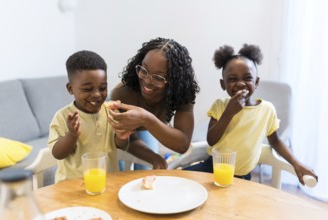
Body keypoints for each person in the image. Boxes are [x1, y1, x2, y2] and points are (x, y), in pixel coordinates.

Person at [184, 44, 318, 185]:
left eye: (247, 78)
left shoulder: (266, 110)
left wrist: (297, 164)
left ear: (257, 81)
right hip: (213, 169)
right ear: (223, 84)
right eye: (232, 79)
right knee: (181, 179)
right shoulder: (220, 106)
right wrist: (229, 112)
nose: (241, 84)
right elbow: (211, 140)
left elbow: (276, 142)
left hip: (242, 177)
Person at [47, 50, 161, 183]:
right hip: (72, 188)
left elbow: (118, 145)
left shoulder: (111, 111)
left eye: (102, 88)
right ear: (71, 88)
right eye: (88, 89)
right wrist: (72, 135)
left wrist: (121, 137)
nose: (96, 94)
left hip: (107, 184)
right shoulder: (63, 117)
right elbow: (58, 154)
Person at [108, 37, 200, 170]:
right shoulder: (122, 94)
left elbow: (183, 145)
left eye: (158, 77)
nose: (147, 81)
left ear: (174, 82)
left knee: (147, 170)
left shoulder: (183, 92)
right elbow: (128, 140)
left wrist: (146, 118)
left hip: (146, 124)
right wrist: (154, 157)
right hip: (119, 130)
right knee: (119, 169)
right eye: (143, 70)